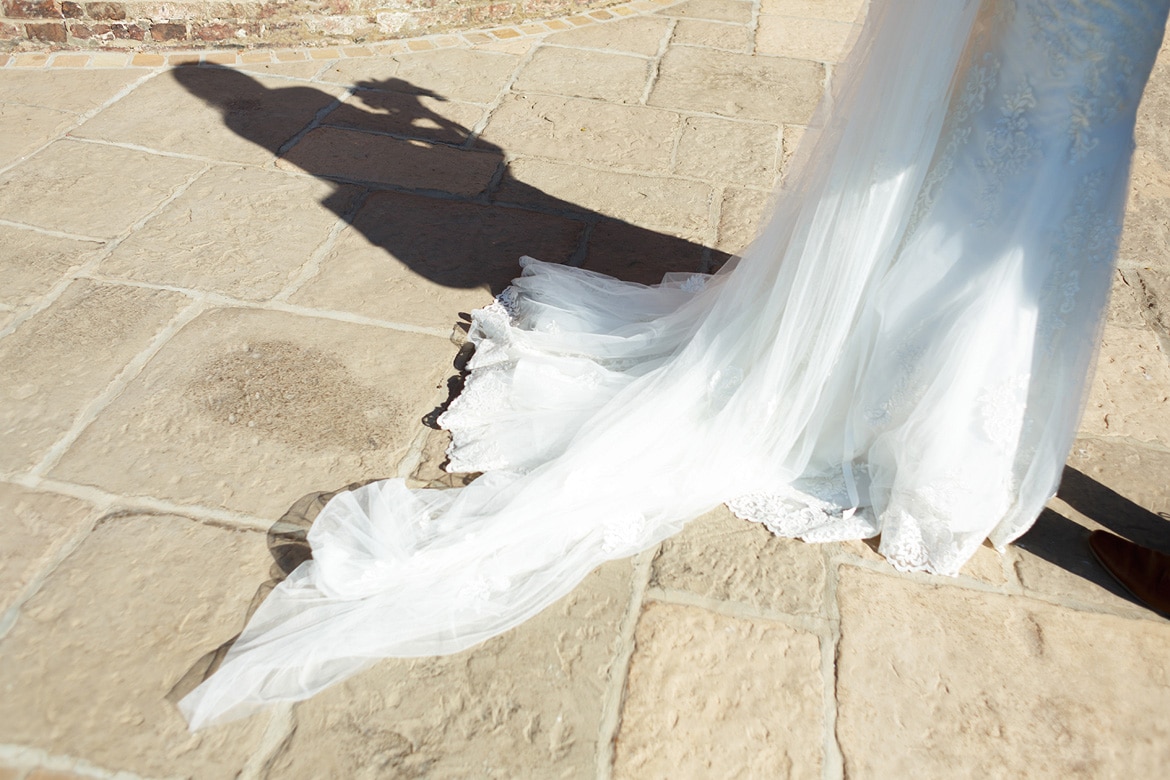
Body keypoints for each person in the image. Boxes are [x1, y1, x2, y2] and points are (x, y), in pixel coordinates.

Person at [179, 0, 1170, 728]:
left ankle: (927, 418)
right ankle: (937, 451)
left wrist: (417, 123)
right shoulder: (261, 117)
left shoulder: (265, 115)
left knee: (1029, 149)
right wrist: (411, 124)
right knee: (1024, 150)